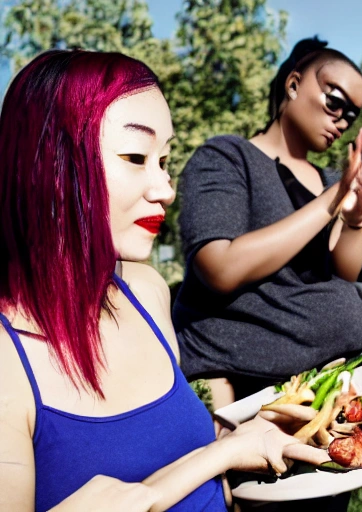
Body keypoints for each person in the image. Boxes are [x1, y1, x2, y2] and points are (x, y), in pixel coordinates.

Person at [0, 49, 328, 512]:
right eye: (136, 156)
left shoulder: (145, 291)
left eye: (165, 159)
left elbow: (172, 458)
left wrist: (244, 440)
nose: (165, 189)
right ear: (50, 167)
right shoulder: (6, 359)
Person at [173, 37, 362, 510]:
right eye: (335, 101)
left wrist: (356, 214)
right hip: (257, 402)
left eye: (352, 114)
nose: (342, 120)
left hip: (328, 398)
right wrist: (332, 202)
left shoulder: (330, 180)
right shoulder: (227, 157)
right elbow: (220, 267)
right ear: (292, 84)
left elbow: (346, 273)